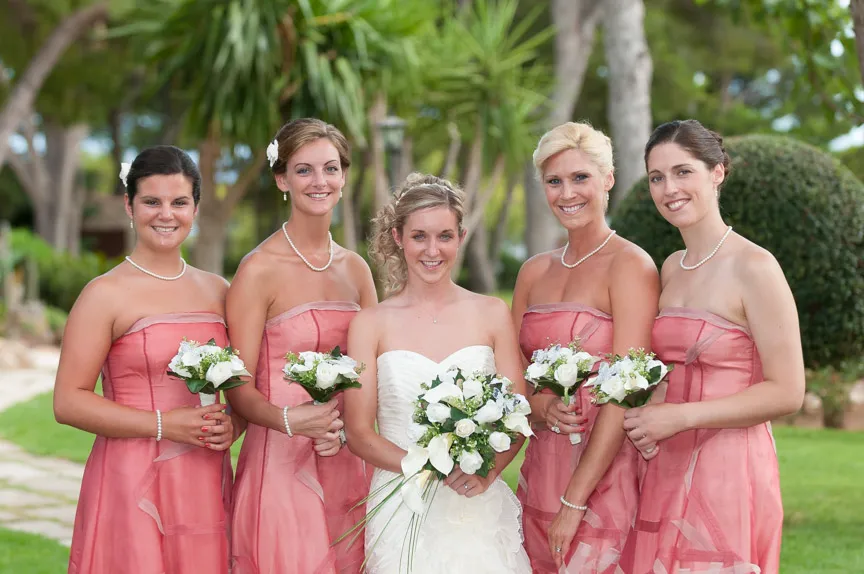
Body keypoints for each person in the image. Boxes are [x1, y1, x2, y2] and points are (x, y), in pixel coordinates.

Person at [620, 119, 805, 574]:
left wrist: (681, 417)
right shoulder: (670, 267)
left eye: (683, 172)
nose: (669, 189)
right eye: (657, 178)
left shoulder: (755, 267)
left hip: (728, 467)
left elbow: (787, 391)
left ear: (717, 172)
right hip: (664, 458)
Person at [55, 146, 237, 574]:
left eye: (179, 202)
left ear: (196, 207)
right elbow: (68, 401)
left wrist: (236, 422)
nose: (165, 214)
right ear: (128, 205)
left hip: (205, 475)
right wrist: (163, 424)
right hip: (130, 475)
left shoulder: (219, 290)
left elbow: (240, 386)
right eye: (151, 201)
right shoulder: (104, 294)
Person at [343, 173, 532, 573]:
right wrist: (427, 466)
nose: (433, 250)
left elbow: (518, 414)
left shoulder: (492, 313)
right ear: (398, 237)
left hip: (474, 502)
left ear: (461, 237)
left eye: (444, 236)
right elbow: (358, 432)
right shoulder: (370, 323)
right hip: (401, 499)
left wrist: (488, 471)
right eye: (419, 237)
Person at [226, 118, 377, 574]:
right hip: (279, 462)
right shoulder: (258, 270)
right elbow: (238, 385)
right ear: (282, 179)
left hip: (350, 460)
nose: (320, 181)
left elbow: (375, 371)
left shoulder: (357, 271)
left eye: (330, 168)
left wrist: (352, 431)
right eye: (304, 170)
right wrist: (290, 419)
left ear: (344, 177)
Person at [511, 122, 659, 573]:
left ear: (608, 179)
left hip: (604, 473)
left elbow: (626, 388)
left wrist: (575, 501)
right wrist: (538, 405)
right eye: (554, 181)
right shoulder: (533, 272)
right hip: (540, 466)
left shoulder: (631, 266)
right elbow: (511, 373)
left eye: (580, 178)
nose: (566, 193)